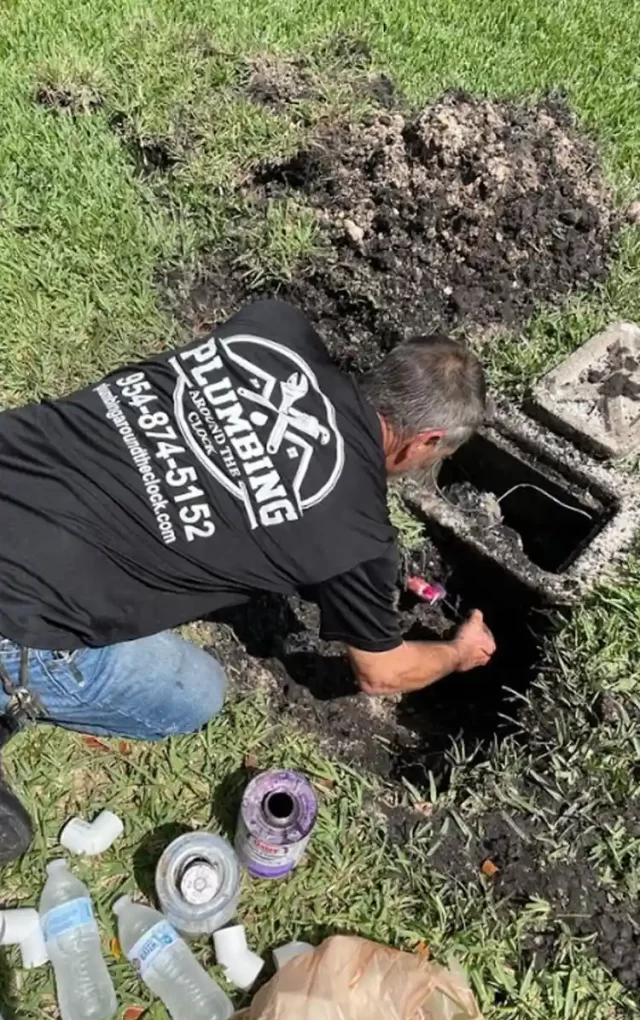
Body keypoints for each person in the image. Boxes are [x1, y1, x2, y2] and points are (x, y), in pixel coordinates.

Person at [0, 300, 495, 860]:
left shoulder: (274, 327)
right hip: (16, 616)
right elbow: (382, 673)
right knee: (192, 695)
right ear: (426, 441)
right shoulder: (356, 536)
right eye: (437, 456)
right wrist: (457, 653)